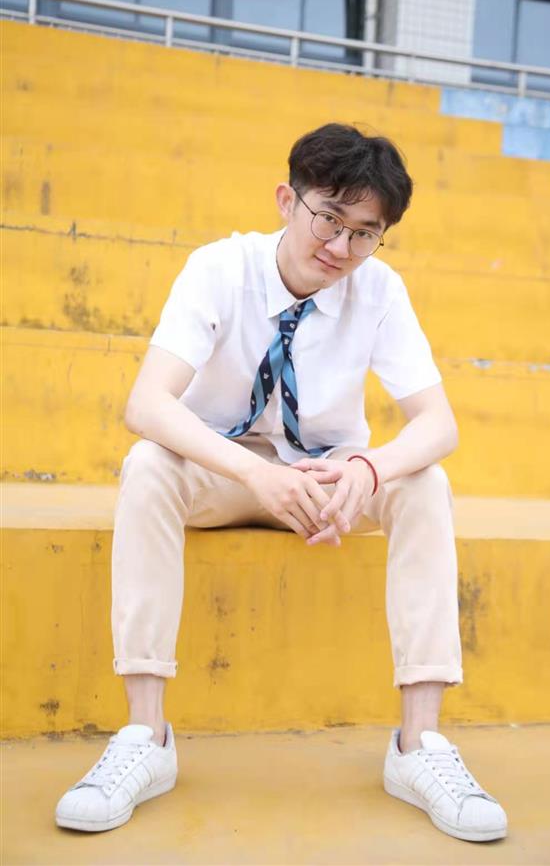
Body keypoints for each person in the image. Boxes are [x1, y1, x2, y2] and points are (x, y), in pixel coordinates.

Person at [55, 123, 507, 842]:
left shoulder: (379, 290)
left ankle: (419, 745)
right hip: (224, 470)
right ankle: (146, 736)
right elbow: (147, 405)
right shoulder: (219, 268)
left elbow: (438, 424)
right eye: (329, 218)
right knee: (146, 466)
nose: (341, 247)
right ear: (286, 201)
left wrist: (366, 468)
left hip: (327, 479)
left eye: (365, 233)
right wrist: (251, 473)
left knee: (425, 484)